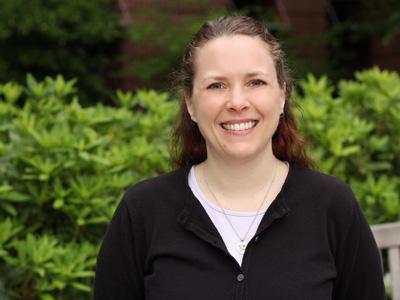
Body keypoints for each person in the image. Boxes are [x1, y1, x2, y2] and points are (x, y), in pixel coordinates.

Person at [94, 16, 386, 300]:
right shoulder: (143, 211)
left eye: (255, 82)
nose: (237, 102)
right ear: (190, 104)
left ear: (282, 95)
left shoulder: (332, 206)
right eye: (216, 85)